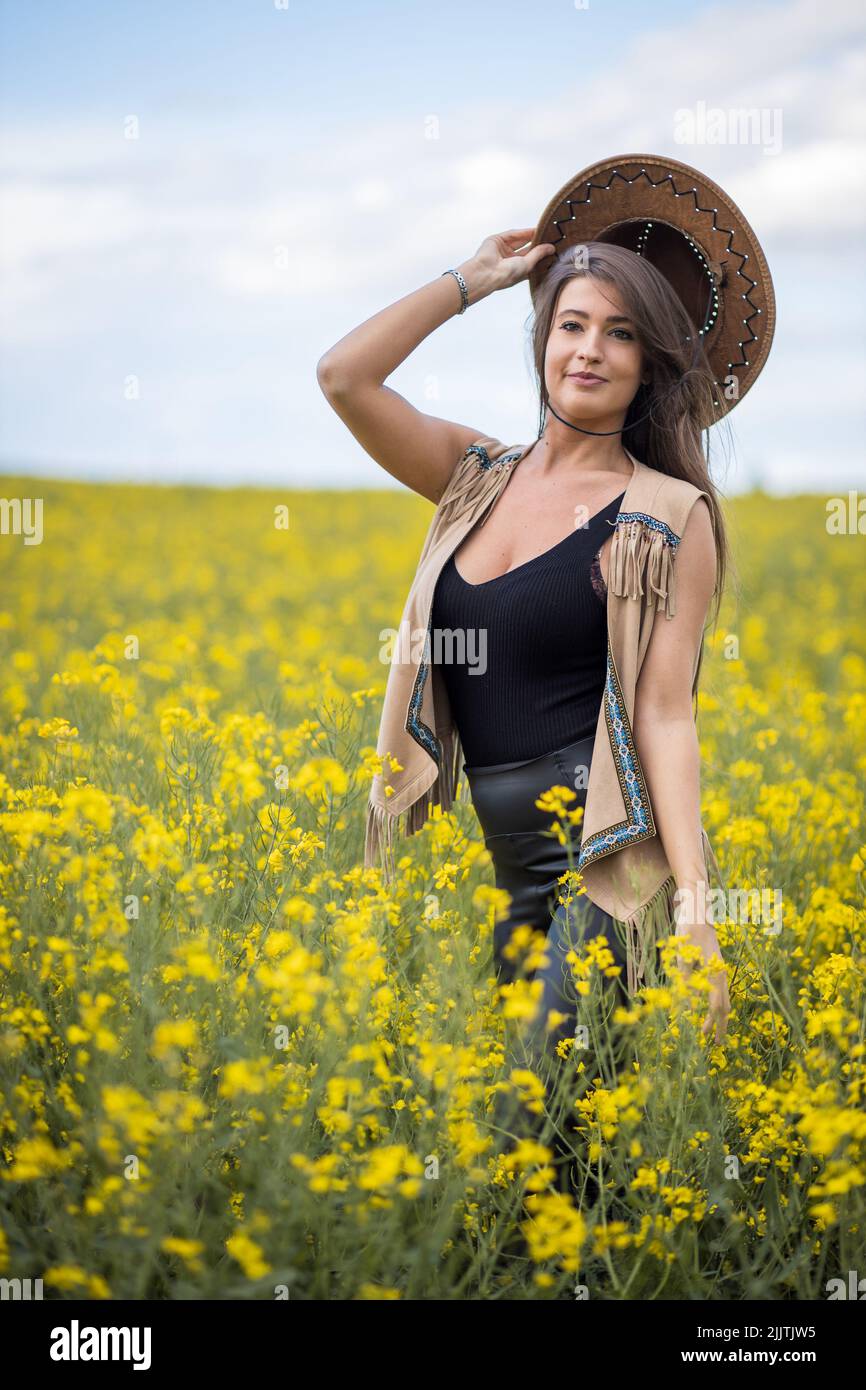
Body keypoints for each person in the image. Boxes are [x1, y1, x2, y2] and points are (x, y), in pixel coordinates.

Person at [316, 151, 779, 1189]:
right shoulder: (471, 477)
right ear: (539, 338)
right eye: (571, 323)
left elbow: (663, 717)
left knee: (529, 1129)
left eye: (620, 334)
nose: (589, 350)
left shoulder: (665, 515)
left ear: (652, 366)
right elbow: (343, 377)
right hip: (499, 872)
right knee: (558, 1163)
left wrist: (697, 909)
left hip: (603, 866)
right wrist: (467, 281)